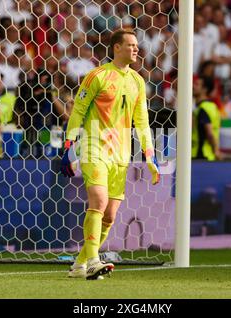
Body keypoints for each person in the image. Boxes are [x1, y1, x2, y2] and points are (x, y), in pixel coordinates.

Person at [60, 29, 160, 280]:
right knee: (99, 202)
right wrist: (68, 144)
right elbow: (78, 110)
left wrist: (150, 155)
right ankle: (94, 260)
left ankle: (79, 264)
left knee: (110, 215)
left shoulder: (137, 81)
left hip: (121, 154)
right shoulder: (97, 76)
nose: (136, 49)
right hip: (95, 147)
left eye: (137, 45)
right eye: (131, 45)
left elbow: (142, 121)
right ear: (116, 47)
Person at [192, 77, 222, 161]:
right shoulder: (211, 106)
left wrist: (216, 151)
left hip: (201, 155)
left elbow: (210, 133)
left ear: (205, 89)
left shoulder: (203, 108)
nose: (193, 86)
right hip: (208, 155)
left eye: (197, 84)